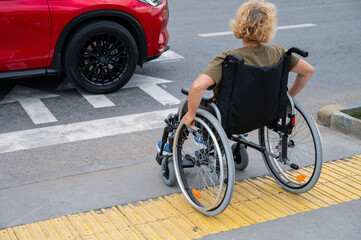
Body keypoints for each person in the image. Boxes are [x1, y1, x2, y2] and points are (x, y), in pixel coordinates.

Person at [158, 0, 314, 153]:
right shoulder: (279, 53)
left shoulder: (229, 59)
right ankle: (208, 139)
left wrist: (190, 114)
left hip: (230, 119)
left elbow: (198, 87)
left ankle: (173, 147)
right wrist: (286, 97)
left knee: (185, 104)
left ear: (239, 25)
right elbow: (307, 71)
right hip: (265, 114)